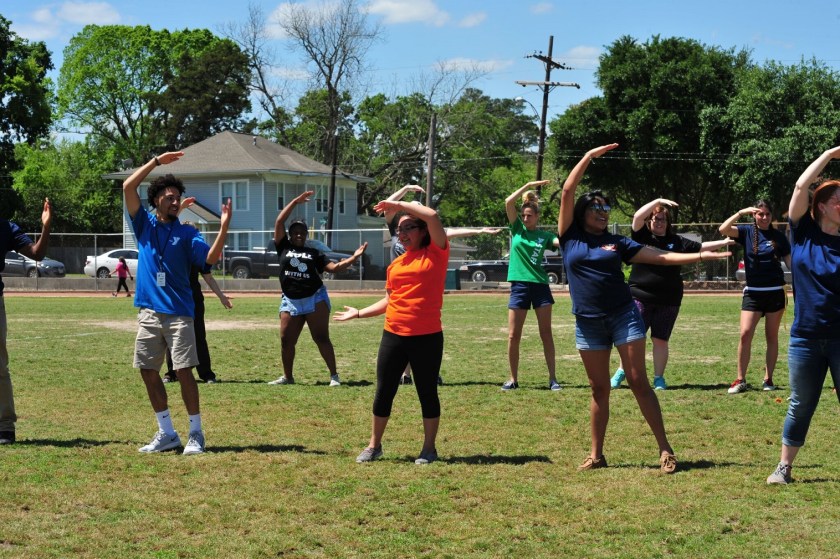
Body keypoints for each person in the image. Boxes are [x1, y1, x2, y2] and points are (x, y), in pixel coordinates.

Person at [558, 144, 730, 473]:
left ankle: (665, 450)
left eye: (607, 207)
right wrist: (588, 158)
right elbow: (567, 190)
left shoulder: (618, 242)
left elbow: (661, 257)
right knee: (598, 387)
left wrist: (699, 256)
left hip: (623, 315)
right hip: (588, 321)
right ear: (582, 212)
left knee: (638, 380)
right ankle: (596, 455)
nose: (604, 211)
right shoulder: (570, 237)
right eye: (597, 207)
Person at [124, 152, 231, 455]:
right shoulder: (143, 225)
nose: (175, 201)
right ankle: (167, 432)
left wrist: (223, 229)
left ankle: (196, 433)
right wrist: (156, 162)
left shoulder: (187, 232)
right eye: (169, 197)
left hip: (179, 314)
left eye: (177, 198)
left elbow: (209, 259)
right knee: (147, 370)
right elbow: (127, 188)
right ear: (156, 199)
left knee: (184, 371)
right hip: (148, 311)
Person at [335, 193, 449, 464]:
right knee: (384, 390)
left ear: (422, 231)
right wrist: (359, 313)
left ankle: (429, 449)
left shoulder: (436, 252)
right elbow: (390, 299)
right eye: (399, 230)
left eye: (409, 227)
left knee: (426, 393)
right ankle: (374, 446)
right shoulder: (396, 264)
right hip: (394, 334)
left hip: (427, 337)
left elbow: (432, 215)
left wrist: (398, 205)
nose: (402, 233)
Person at [766, 146, 840, 485]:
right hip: (806, 338)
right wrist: (830, 153)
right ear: (822, 206)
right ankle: (784, 467)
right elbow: (799, 188)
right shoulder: (802, 234)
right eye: (839, 200)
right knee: (801, 403)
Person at [383, 184, 502, 386]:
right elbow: (387, 208)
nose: (406, 224)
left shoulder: (428, 237)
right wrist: (405, 188)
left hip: (422, 290)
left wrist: (479, 230)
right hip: (401, 289)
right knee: (401, 333)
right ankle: (406, 373)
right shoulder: (400, 231)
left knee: (423, 334)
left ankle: (427, 372)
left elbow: (451, 231)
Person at [611, 199, 733, 390]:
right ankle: (621, 371)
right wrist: (657, 201)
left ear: (668, 223)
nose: (659, 222)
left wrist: (725, 242)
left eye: (663, 220)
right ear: (650, 221)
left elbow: (701, 247)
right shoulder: (641, 237)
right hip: (639, 295)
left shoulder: (676, 241)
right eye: (655, 219)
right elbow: (637, 217)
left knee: (660, 339)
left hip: (668, 299)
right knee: (633, 338)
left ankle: (659, 378)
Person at [267, 191, 367, 386]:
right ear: (290, 233)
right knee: (286, 340)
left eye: (302, 231)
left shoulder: (315, 252)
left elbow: (334, 268)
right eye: (295, 231)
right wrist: (295, 201)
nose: (298, 234)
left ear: (306, 234)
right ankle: (288, 377)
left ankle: (334, 377)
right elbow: (279, 222)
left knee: (321, 338)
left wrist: (354, 258)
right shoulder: (283, 247)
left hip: (314, 298)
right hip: (291, 299)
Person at [719, 200, 791, 393]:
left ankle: (768, 379)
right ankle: (740, 379)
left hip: (775, 292)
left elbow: (791, 263)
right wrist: (740, 212)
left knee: (771, 336)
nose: (764, 217)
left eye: (767, 214)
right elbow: (723, 229)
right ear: (754, 215)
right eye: (760, 214)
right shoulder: (747, 232)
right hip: (753, 293)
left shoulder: (779, 237)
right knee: (745, 334)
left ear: (771, 216)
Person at [0, 199, 52, 445]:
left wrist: (46, 226)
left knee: (0, 366)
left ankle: (5, 426)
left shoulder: (6, 228)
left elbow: (37, 254)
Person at [501, 180, 561, 391]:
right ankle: (513, 378)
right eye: (524, 215)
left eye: (530, 215)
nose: (526, 218)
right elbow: (509, 202)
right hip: (519, 286)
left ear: (537, 217)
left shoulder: (544, 236)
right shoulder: (517, 229)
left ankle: (553, 379)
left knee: (546, 333)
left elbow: (560, 242)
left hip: (540, 286)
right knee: (513, 335)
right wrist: (527, 185)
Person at [162, 215, 232, 385]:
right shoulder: (172, 253)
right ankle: (172, 373)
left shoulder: (196, 253)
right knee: (174, 335)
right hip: (175, 300)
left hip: (193, 300)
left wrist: (221, 296)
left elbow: (208, 277)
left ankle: (206, 374)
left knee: (199, 335)